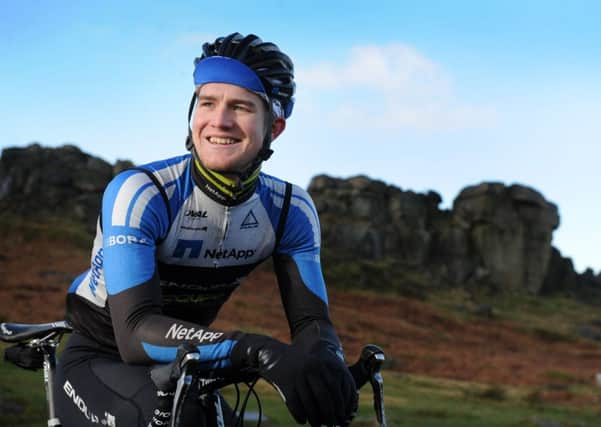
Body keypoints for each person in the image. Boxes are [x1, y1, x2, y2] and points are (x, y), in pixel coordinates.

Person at [54, 32, 358, 427]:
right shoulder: (144, 193)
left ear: (275, 127)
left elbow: (311, 324)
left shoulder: (289, 209)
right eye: (207, 102)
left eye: (241, 107)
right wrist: (255, 352)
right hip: (100, 358)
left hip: (186, 368)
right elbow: (134, 334)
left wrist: (326, 362)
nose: (220, 121)